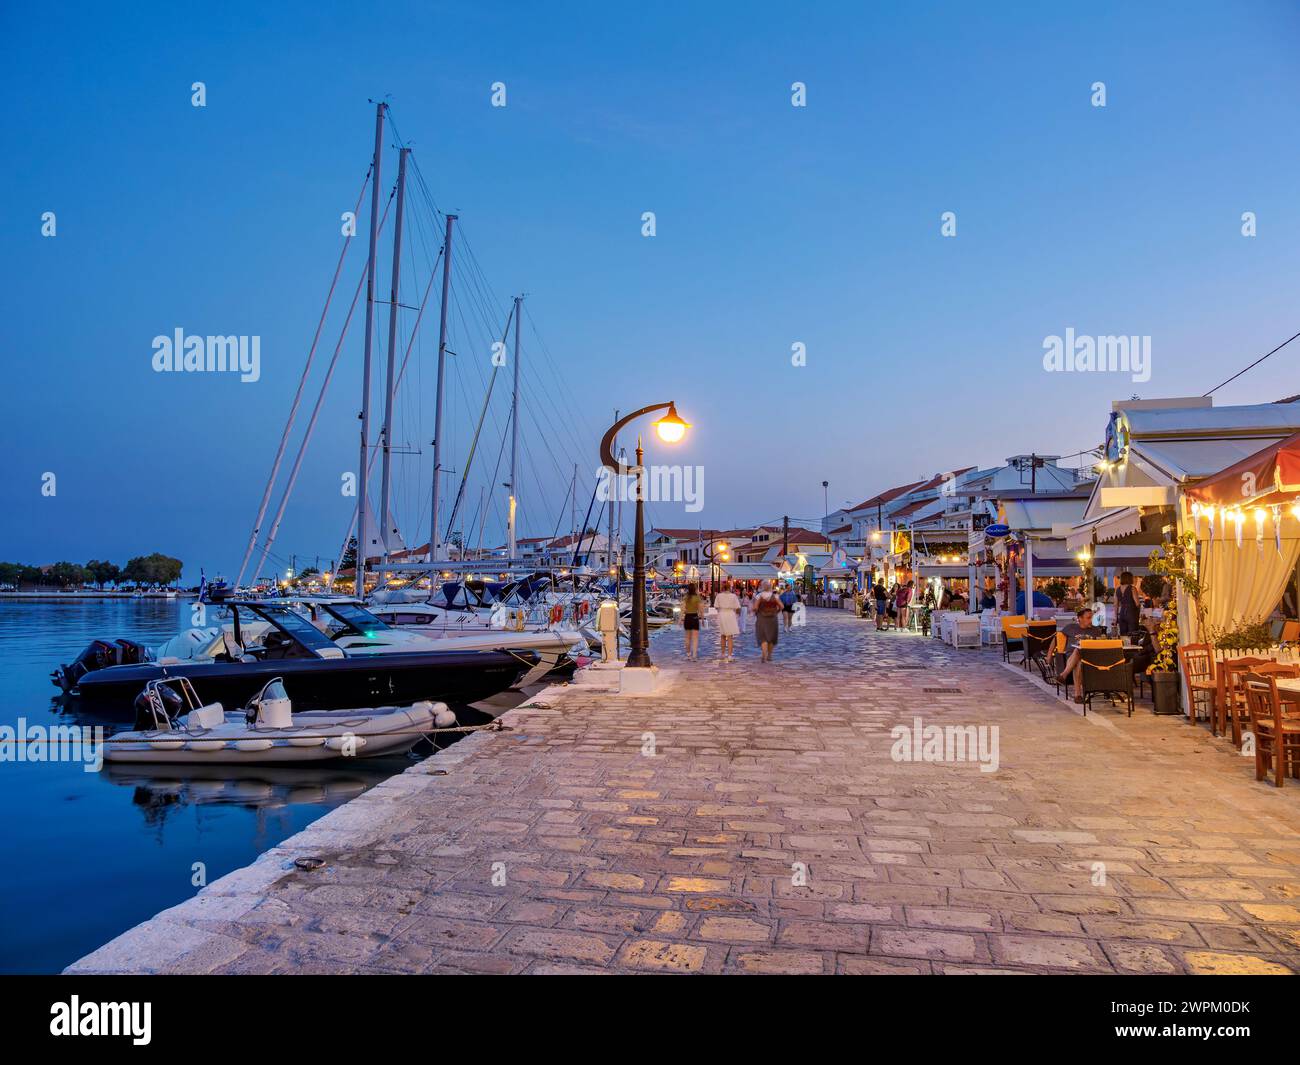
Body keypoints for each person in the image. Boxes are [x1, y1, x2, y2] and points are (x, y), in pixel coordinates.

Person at [1055, 606, 1108, 703]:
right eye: (1088, 618)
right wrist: (1049, 655)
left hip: (1090, 658)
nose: (1091, 620)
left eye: (1091, 617)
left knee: (1079, 651)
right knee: (1078, 654)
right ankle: (1078, 696)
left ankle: (1063, 675)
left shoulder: (1095, 630)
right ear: (1080, 618)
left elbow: (1101, 644)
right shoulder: (1070, 627)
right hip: (1071, 658)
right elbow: (1055, 640)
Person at [753, 580, 783, 662]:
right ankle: (769, 655)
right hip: (773, 618)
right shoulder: (775, 596)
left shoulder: (759, 596)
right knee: (771, 637)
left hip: (762, 618)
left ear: (762, 587)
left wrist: (756, 612)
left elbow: (755, 607)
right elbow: (782, 606)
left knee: (763, 637)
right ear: (770, 587)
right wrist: (777, 611)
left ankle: (764, 654)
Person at [714, 582, 741, 661]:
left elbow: (716, 606)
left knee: (722, 635)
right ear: (729, 588)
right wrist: (738, 614)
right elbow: (738, 607)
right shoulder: (733, 596)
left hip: (722, 614)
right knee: (730, 636)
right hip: (730, 614)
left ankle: (722, 654)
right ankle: (729, 656)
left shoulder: (719, 596)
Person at [1114, 571, 1140, 637]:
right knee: (1132, 635)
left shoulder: (1117, 589)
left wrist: (1115, 617)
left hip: (1122, 613)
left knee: (1123, 636)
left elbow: (1115, 605)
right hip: (1131, 613)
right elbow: (1137, 603)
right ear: (1129, 578)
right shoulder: (1132, 588)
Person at [681, 583, 703, 661]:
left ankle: (688, 654)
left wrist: (680, 619)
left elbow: (682, 609)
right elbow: (701, 610)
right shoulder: (697, 598)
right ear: (695, 589)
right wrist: (703, 619)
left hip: (687, 617)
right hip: (695, 617)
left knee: (687, 637)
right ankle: (694, 655)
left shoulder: (685, 598)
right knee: (695, 638)